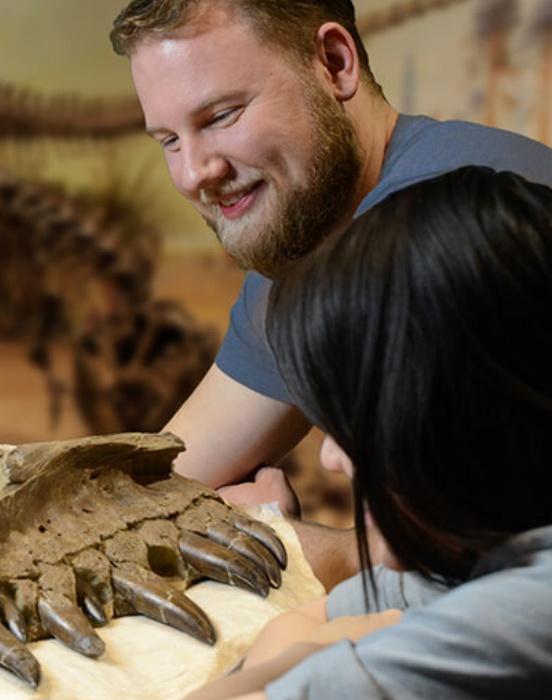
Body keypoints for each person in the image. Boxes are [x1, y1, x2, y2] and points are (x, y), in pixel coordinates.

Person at [109, 0, 552, 588]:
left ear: (336, 63)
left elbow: (456, 564)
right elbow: (145, 493)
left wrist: (283, 543)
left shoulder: (455, 233)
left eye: (221, 116)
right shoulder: (304, 228)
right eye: (169, 140)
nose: (194, 173)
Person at [164, 167, 552, 700]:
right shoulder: (470, 563)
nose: (331, 456)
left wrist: (336, 648)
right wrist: (339, 642)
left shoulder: (526, 610)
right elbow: (291, 629)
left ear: (458, 417)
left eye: (357, 420)